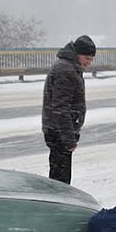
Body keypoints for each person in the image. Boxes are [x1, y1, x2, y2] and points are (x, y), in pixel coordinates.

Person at [42, 35, 96, 184]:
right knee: (60, 181)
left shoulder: (69, 67)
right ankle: (58, 205)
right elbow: (60, 108)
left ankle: (57, 202)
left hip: (58, 131)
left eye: (91, 59)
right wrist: (69, 139)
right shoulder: (66, 71)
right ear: (77, 54)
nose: (89, 63)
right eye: (87, 58)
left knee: (59, 176)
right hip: (59, 133)